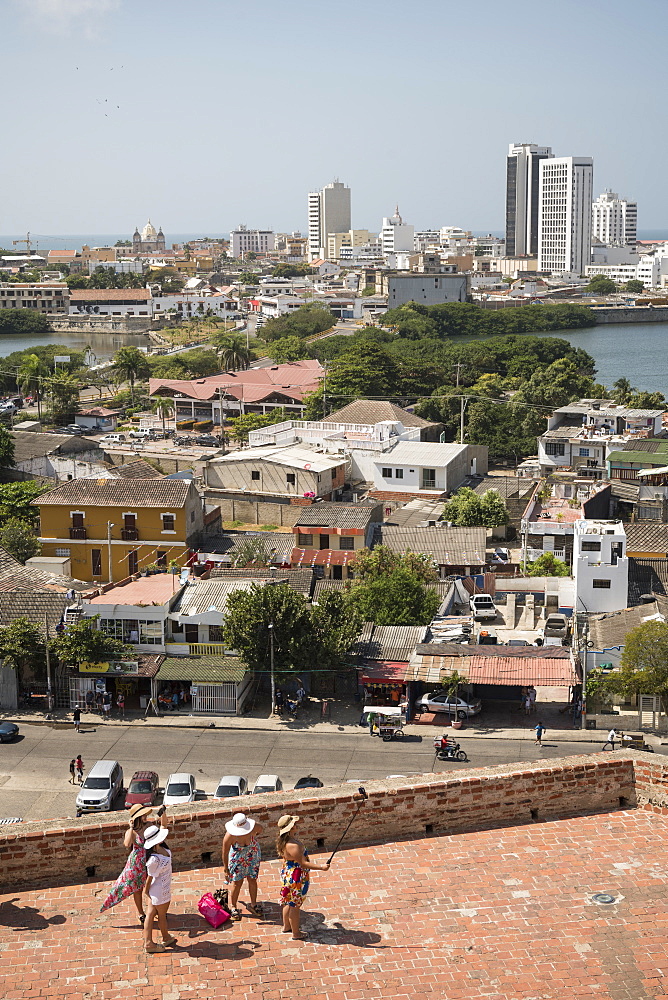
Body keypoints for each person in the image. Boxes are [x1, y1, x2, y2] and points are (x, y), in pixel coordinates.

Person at [100, 804, 168, 924]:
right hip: (136, 862)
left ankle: (154, 909)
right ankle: (141, 913)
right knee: (137, 889)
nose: (146, 817)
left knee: (152, 885)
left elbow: (163, 827)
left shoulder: (149, 825)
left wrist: (163, 813)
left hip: (149, 859)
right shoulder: (131, 831)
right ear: (138, 817)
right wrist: (131, 828)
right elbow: (127, 844)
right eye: (143, 815)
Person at [277, 814, 329, 941]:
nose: (296, 825)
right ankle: (296, 933)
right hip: (296, 877)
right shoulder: (292, 845)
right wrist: (321, 867)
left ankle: (286, 927)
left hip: (288, 873)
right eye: (294, 824)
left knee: (287, 901)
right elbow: (303, 863)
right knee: (295, 905)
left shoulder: (285, 841)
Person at [222, 813, 263, 920]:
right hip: (238, 859)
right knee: (237, 883)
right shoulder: (230, 836)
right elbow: (225, 853)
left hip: (252, 856)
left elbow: (260, 830)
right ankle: (233, 906)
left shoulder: (255, 827)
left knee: (252, 880)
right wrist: (226, 869)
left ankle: (253, 904)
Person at [143, 822, 177, 953]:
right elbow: (150, 877)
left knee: (150, 915)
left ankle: (150, 942)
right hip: (160, 889)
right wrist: (146, 892)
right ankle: (164, 937)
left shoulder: (157, 854)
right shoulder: (154, 859)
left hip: (157, 888)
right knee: (161, 915)